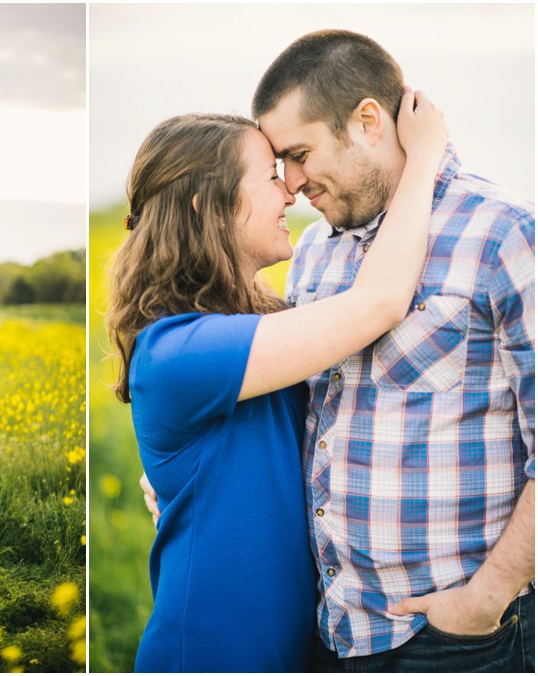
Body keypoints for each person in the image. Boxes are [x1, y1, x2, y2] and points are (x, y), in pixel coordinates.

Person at [142, 29, 535, 672]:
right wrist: (191, 473)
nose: (292, 185)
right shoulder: (318, 252)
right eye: (277, 167)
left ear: (369, 121)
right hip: (329, 632)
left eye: (299, 154)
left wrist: (485, 601)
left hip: (450, 640)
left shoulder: (504, 234)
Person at [108, 88, 447, 671]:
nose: (291, 188)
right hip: (211, 655)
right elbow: (380, 302)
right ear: (204, 206)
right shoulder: (178, 350)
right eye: (269, 176)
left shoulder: (254, 326)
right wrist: (424, 160)